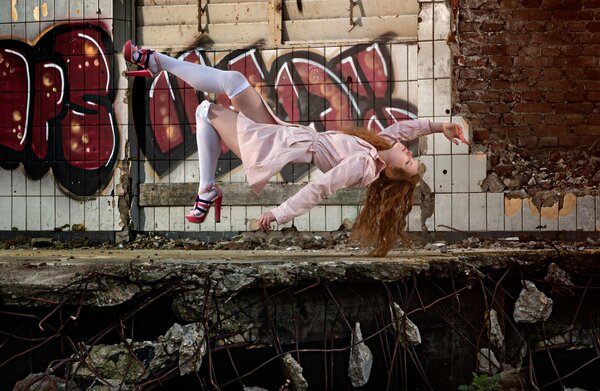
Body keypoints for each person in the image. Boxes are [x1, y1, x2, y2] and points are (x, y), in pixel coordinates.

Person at [122, 40, 469, 256]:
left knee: (213, 103)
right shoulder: (379, 145)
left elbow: (318, 189)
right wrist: (441, 126)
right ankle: (206, 188)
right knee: (223, 92)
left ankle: (156, 65)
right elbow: (406, 128)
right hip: (285, 135)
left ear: (392, 173)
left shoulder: (364, 165)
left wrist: (278, 214)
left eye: (409, 164)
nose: (410, 154)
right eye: (411, 156)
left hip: (275, 147)